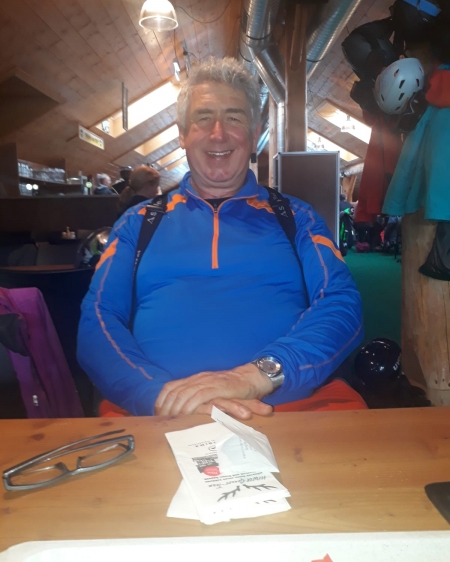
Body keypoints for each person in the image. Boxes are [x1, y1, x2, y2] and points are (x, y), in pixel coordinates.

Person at [78, 57, 364, 419]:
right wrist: (156, 394)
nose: (218, 134)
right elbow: (98, 317)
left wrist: (256, 376)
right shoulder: (137, 223)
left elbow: (341, 304)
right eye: (203, 118)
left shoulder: (298, 218)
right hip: (157, 415)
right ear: (182, 134)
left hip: (288, 412)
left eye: (234, 118)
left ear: (255, 133)